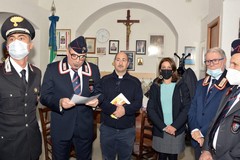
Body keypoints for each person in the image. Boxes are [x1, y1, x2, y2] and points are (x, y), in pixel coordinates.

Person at [40, 36, 101, 160]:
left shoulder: (93, 69)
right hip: (61, 127)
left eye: (82, 57)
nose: (78, 61)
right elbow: (44, 96)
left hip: (85, 127)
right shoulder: (53, 69)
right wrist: (60, 102)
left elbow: (100, 91)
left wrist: (98, 100)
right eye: (74, 56)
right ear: (67, 52)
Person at [0, 15, 42, 160]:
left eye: (21, 38)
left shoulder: (37, 73)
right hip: (8, 147)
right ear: (7, 46)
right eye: (12, 39)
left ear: (30, 45)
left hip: (33, 143)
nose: (16, 42)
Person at [199, 39, 240, 160]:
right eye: (231, 64)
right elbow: (215, 121)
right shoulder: (231, 91)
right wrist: (206, 149)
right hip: (211, 153)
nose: (230, 68)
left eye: (235, 65)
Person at [98, 51, 143, 160]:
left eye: (124, 60)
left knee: (125, 158)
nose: (120, 63)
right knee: (107, 158)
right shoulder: (104, 80)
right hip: (107, 129)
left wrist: (124, 110)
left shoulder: (135, 82)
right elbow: (100, 100)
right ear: (114, 62)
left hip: (127, 130)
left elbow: (138, 103)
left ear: (128, 64)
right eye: (118, 59)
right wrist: (114, 109)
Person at [188, 47, 229, 160]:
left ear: (224, 60)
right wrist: (195, 130)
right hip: (197, 139)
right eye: (207, 61)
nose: (210, 64)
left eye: (215, 60)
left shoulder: (230, 84)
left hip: (215, 142)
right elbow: (193, 109)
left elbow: (224, 116)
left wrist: (203, 134)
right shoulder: (201, 83)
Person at [147, 57, 191, 160]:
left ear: (173, 70)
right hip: (160, 129)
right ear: (160, 70)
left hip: (176, 129)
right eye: (163, 67)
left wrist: (174, 126)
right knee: (161, 157)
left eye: (169, 67)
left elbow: (186, 107)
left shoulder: (181, 85)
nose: (166, 70)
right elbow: (151, 109)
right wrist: (163, 127)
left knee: (173, 157)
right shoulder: (155, 86)